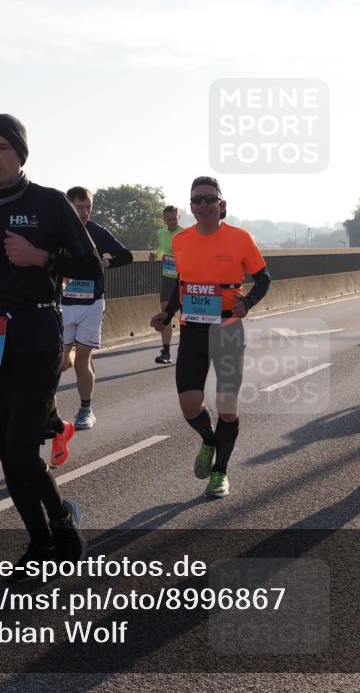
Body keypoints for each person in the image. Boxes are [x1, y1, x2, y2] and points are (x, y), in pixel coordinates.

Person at [0, 114, 99, 578]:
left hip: (37, 335)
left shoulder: (49, 203)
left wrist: (42, 258)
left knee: (19, 449)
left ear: (20, 153)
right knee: (3, 448)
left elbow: (92, 266)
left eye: (1, 148)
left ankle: (62, 521)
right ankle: (39, 541)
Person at [150, 176, 270, 498]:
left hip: (227, 330)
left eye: (209, 199)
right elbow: (182, 284)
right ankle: (209, 439)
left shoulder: (241, 238)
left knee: (227, 408)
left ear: (221, 204)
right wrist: (167, 313)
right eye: (197, 200)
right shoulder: (181, 241)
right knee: (190, 405)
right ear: (191, 207)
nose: (203, 205)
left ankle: (220, 473)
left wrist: (248, 302)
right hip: (193, 331)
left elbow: (263, 279)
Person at [57, 186, 133, 431]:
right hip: (64, 304)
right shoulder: (57, 230)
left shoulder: (97, 232)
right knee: (61, 363)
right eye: (79, 207)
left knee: (82, 360)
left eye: (88, 207)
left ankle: (85, 410)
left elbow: (126, 256)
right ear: (69, 206)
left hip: (92, 303)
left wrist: (107, 261)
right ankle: (50, 410)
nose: (84, 212)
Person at [148, 205, 183, 364]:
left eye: (174, 218)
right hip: (167, 278)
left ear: (179, 217)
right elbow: (162, 249)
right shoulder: (161, 233)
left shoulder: (185, 233)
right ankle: (166, 352)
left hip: (183, 279)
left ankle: (186, 348)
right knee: (165, 314)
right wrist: (155, 255)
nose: (172, 222)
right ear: (164, 219)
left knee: (185, 315)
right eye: (168, 219)